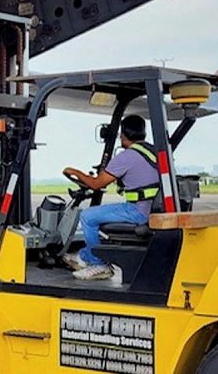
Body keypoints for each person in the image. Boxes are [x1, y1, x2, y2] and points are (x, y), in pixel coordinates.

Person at [61, 115, 160, 280]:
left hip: (137, 211)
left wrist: (75, 172)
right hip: (150, 209)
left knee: (88, 216)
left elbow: (96, 184)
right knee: (98, 214)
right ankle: (83, 256)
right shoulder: (153, 151)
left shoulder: (127, 156)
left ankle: (99, 264)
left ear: (123, 134)